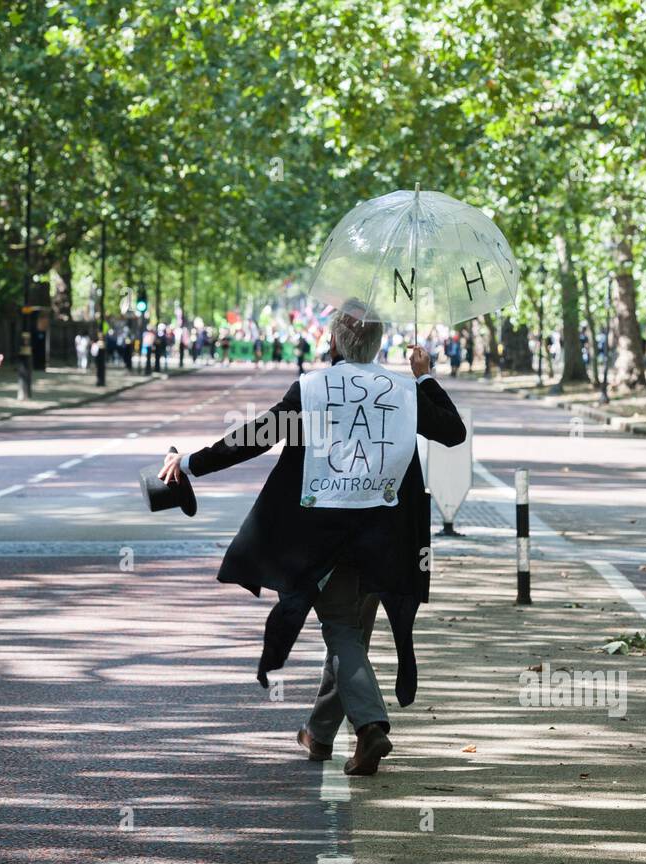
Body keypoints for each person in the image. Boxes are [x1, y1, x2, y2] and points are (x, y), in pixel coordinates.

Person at [157, 298, 466, 776]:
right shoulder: (404, 392)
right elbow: (452, 432)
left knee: (342, 633)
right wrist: (424, 376)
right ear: (380, 342)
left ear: (334, 341)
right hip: (385, 537)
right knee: (349, 635)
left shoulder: (312, 389)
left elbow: (255, 437)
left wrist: (193, 464)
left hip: (321, 534)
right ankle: (320, 735)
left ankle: (369, 729)